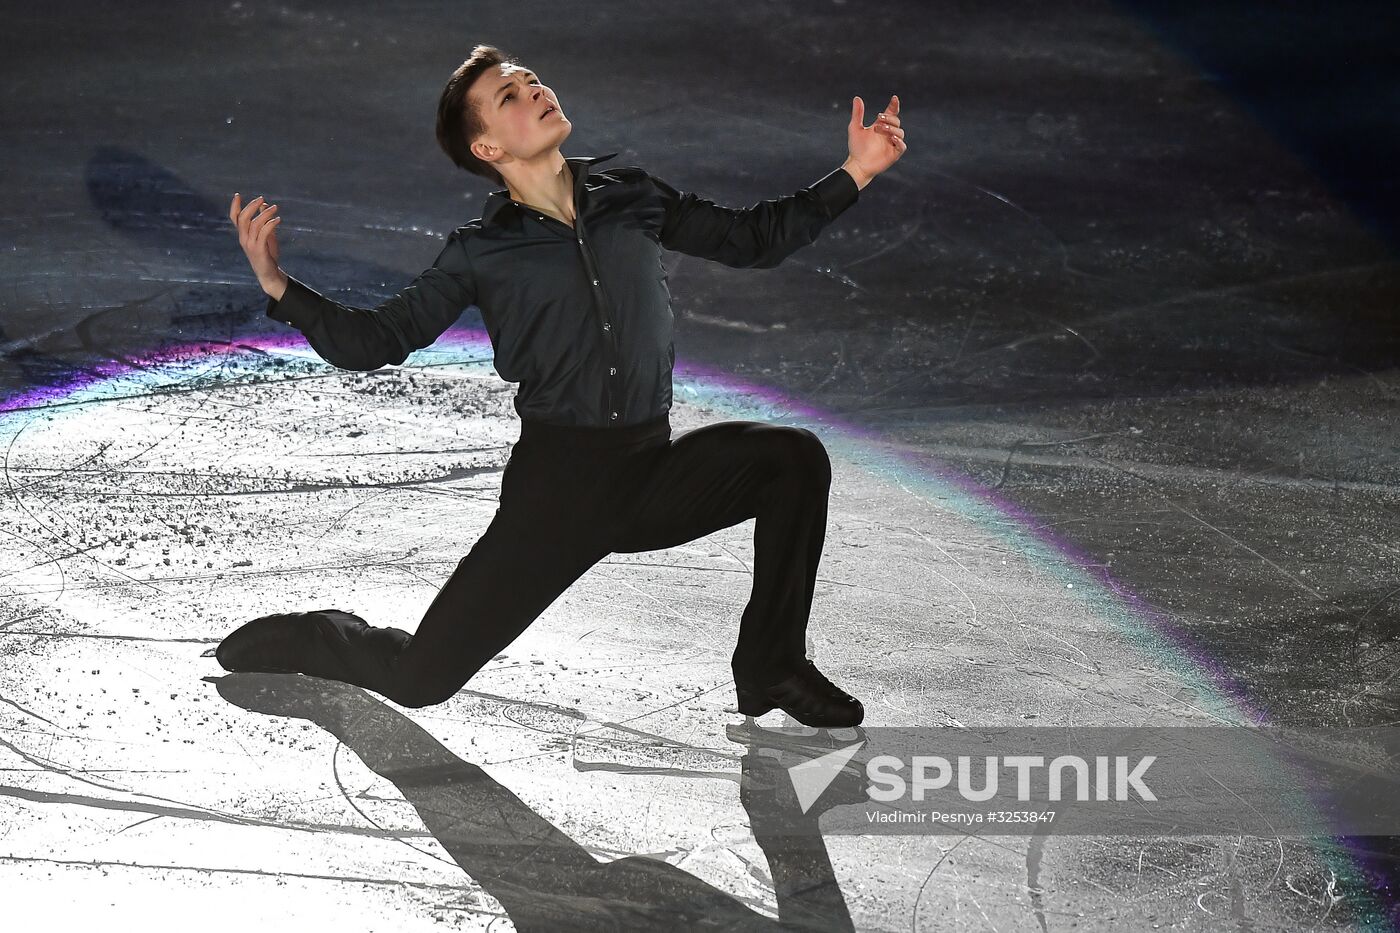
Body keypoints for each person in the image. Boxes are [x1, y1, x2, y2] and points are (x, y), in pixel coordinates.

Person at [216, 44, 908, 728]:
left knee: (792, 459)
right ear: (486, 148)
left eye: (532, 80)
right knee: (418, 679)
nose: (534, 92)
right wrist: (280, 286)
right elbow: (374, 340)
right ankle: (316, 635)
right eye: (508, 97)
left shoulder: (632, 197)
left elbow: (752, 238)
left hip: (649, 470)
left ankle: (769, 662)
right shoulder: (479, 252)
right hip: (556, 496)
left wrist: (856, 170)